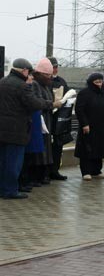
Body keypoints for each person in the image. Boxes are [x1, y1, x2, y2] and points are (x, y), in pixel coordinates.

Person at [0, 58, 60, 199]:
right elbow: (33, 103)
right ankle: (10, 191)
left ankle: (2, 189)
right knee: (13, 163)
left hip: (2, 130)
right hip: (17, 131)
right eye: (29, 72)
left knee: (2, 161)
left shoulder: (2, 82)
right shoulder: (22, 86)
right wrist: (52, 104)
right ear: (25, 71)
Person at [74, 73, 104, 180]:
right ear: (91, 83)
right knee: (87, 148)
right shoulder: (84, 93)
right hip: (88, 127)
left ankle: (96, 170)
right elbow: (79, 109)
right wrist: (84, 124)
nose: (99, 84)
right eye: (96, 82)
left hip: (101, 126)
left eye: (101, 81)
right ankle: (86, 172)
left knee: (99, 148)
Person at [24, 58, 56, 186]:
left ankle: (42, 175)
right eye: (47, 75)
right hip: (39, 122)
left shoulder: (45, 85)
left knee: (44, 149)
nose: (50, 77)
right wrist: (52, 104)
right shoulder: (36, 85)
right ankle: (36, 176)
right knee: (39, 150)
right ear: (41, 74)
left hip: (46, 121)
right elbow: (37, 102)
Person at [48, 56, 70, 181]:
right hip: (48, 117)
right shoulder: (43, 81)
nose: (55, 70)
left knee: (58, 146)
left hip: (59, 119)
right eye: (53, 67)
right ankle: (46, 172)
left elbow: (67, 96)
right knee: (47, 147)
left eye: (56, 67)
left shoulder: (62, 81)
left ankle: (55, 170)